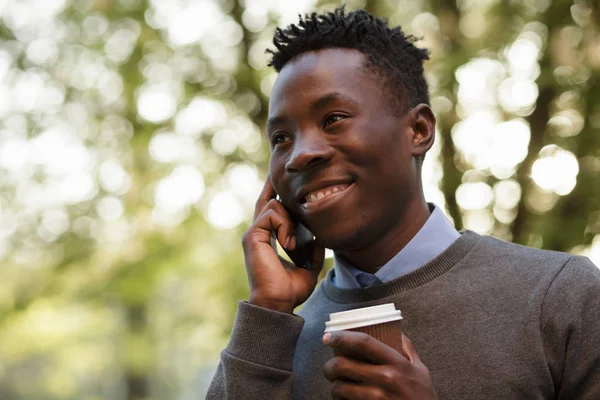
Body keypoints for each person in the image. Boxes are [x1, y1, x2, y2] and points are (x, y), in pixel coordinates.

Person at [207, 7, 600, 400]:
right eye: (281, 139)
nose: (298, 156)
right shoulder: (271, 339)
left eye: (333, 119)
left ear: (418, 130)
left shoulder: (560, 297)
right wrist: (268, 311)